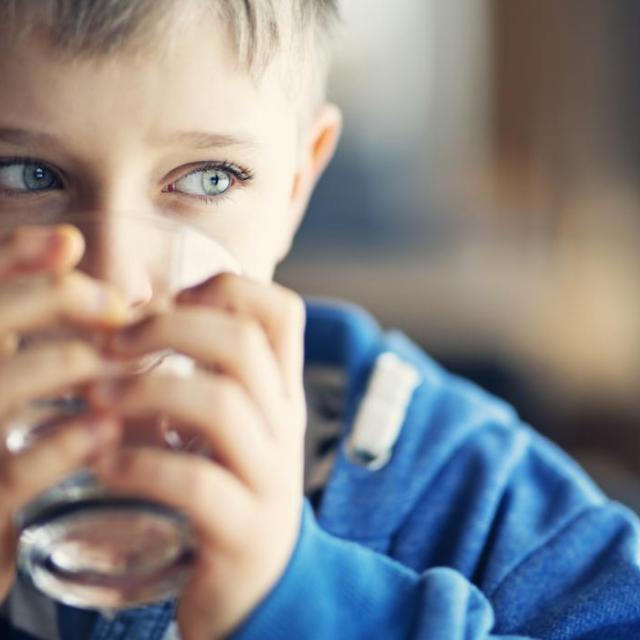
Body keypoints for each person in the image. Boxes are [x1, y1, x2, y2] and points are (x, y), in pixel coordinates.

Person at [0, 2, 639, 639]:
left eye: (210, 178)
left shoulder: (460, 489)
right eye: (27, 175)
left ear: (296, 184)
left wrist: (295, 599)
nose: (115, 284)